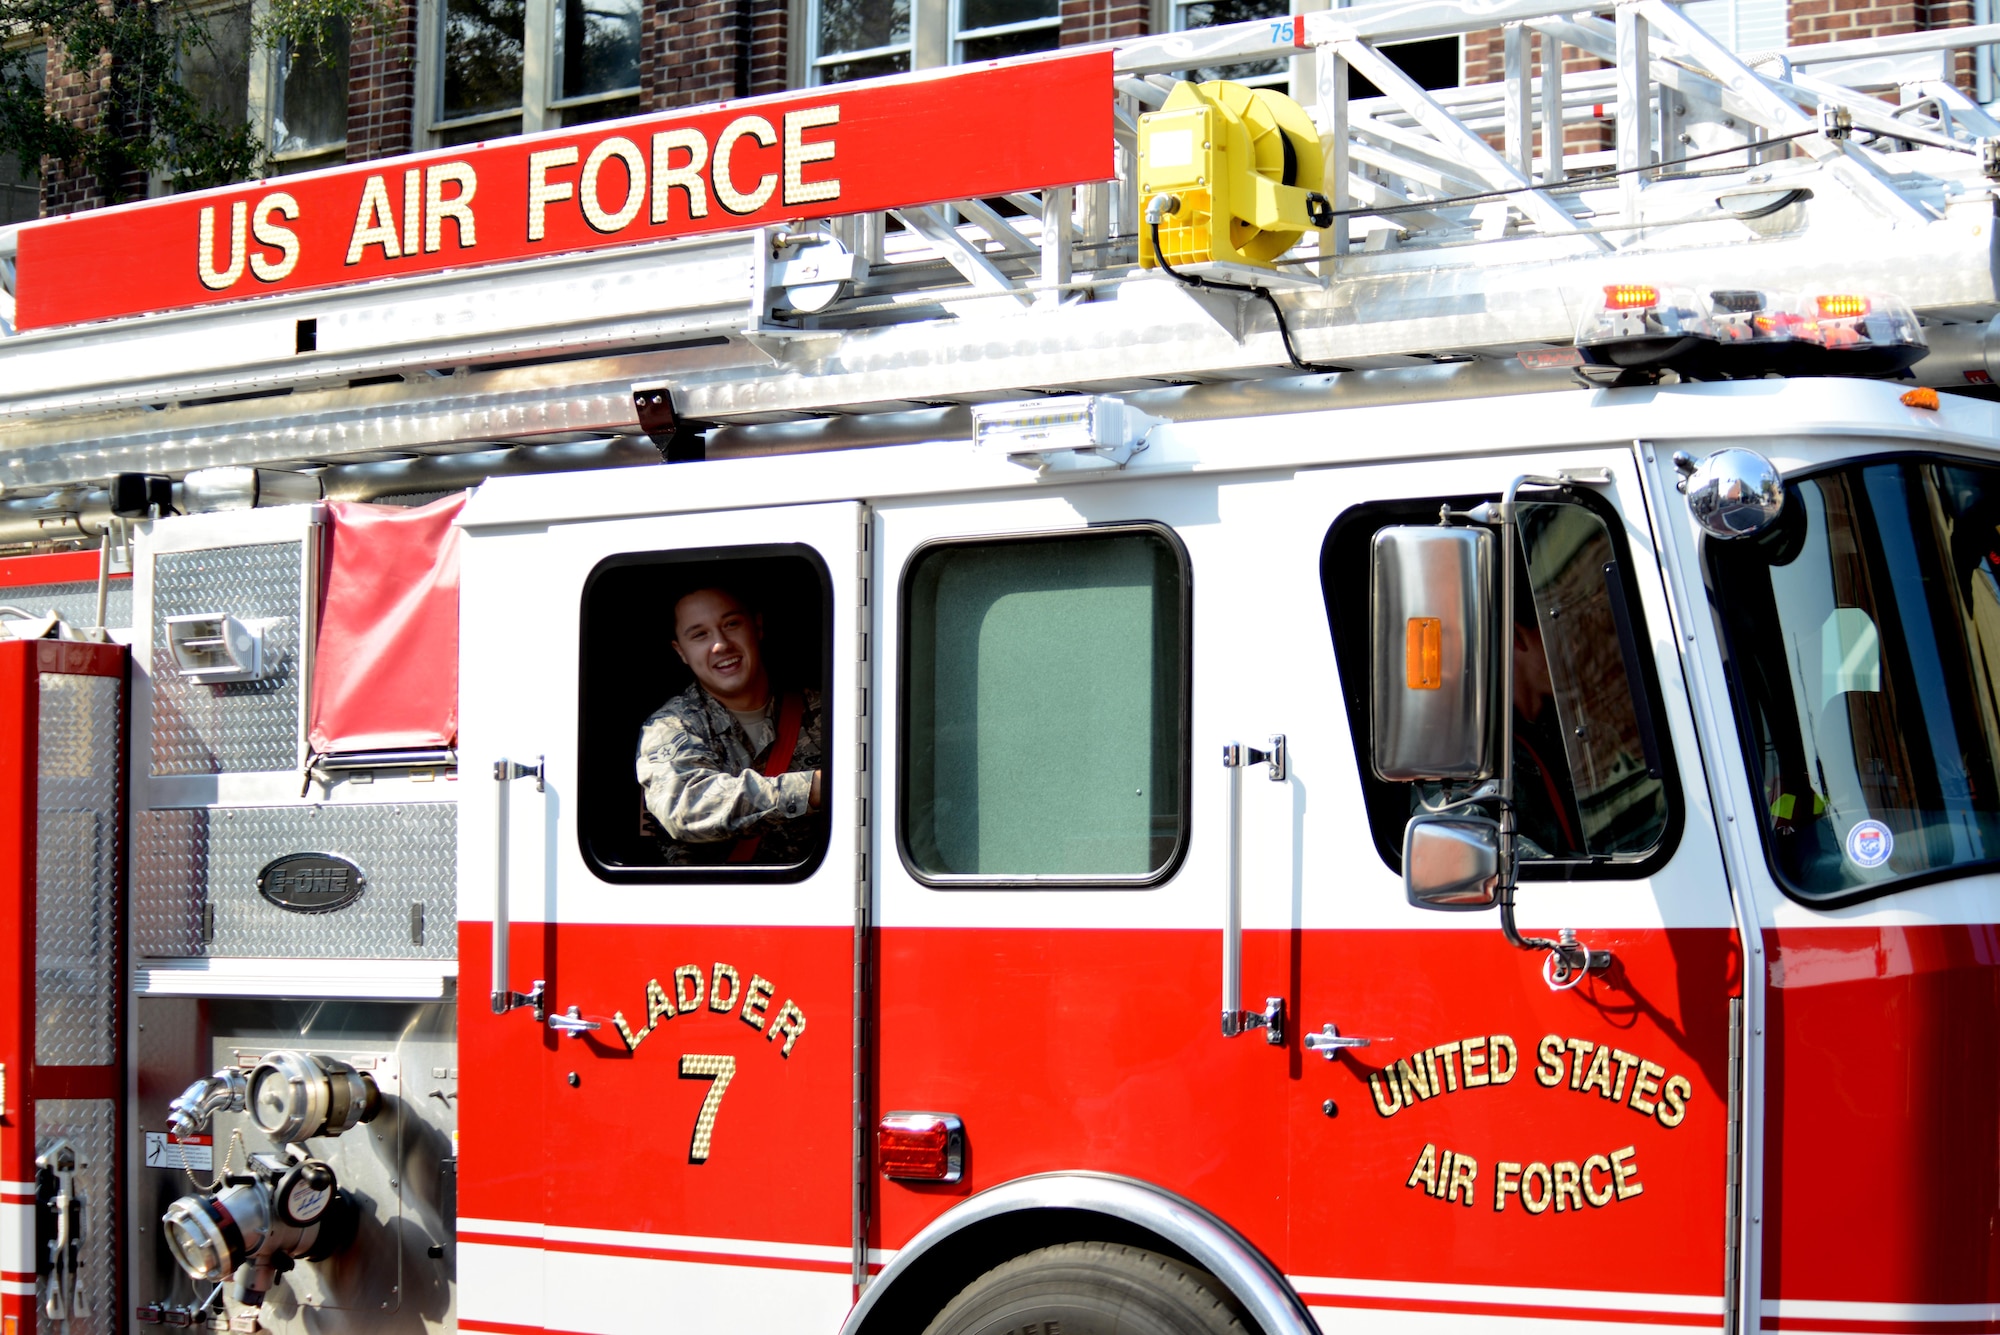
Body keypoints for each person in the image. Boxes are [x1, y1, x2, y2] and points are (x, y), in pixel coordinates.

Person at [636, 586, 826, 865]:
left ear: (757, 626)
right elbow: (688, 808)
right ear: (681, 651)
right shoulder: (671, 726)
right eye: (700, 634)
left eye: (731, 624)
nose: (721, 644)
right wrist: (814, 788)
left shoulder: (827, 712)